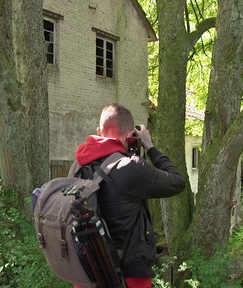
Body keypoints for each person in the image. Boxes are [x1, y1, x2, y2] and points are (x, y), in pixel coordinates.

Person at [73, 103, 186, 288]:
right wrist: (149, 146)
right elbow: (177, 182)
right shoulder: (131, 167)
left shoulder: (78, 165)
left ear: (98, 132)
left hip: (88, 272)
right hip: (129, 275)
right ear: (129, 135)